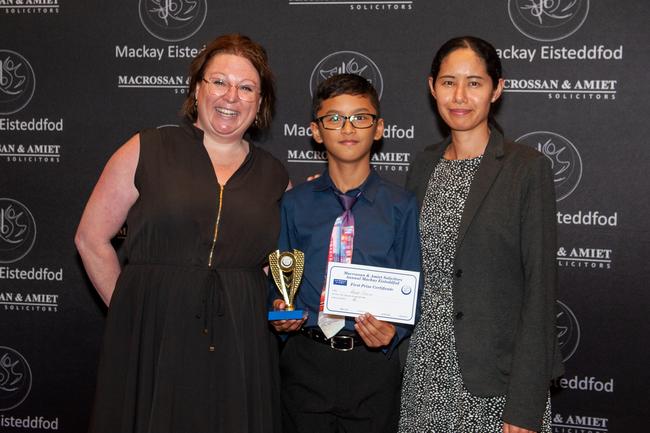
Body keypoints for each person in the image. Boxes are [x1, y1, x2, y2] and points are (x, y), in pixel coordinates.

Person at [75, 34, 288, 433]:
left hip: (241, 340)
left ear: (259, 104)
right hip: (151, 332)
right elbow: (90, 238)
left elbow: (279, 263)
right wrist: (129, 311)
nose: (231, 96)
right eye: (219, 81)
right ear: (197, 89)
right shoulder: (146, 148)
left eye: (246, 88)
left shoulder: (277, 176)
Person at [398, 36, 564, 433]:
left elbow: (539, 292)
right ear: (431, 87)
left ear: (497, 89)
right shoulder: (423, 165)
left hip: (496, 385)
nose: (459, 95)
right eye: (448, 81)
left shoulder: (527, 169)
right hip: (423, 371)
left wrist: (525, 404)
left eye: (474, 83)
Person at [270, 73, 421, 433]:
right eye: (334, 118)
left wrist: (394, 331)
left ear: (379, 128)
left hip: (372, 363)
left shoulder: (401, 205)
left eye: (360, 117)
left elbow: (413, 284)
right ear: (316, 131)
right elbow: (280, 277)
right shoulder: (293, 204)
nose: (348, 127)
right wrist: (280, 310)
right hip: (306, 359)